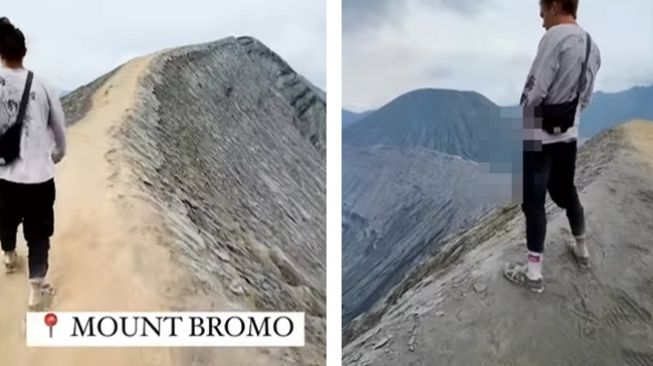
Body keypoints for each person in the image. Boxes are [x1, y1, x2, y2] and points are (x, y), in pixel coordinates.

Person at [503, 0, 601, 293]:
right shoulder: (592, 46)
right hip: (570, 136)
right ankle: (581, 248)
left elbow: (535, 91)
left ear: (556, 5)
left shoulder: (553, 38)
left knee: (534, 203)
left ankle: (534, 274)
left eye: (543, 10)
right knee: (565, 190)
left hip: (540, 137)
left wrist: (525, 119)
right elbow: (586, 98)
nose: (541, 18)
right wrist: (570, 122)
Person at [0, 17, 66, 309]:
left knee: (6, 220)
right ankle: (35, 294)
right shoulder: (44, 86)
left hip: (4, 176)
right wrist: (56, 154)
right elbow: (59, 132)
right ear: (24, 52)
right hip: (39, 179)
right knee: (39, 235)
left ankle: (9, 257)